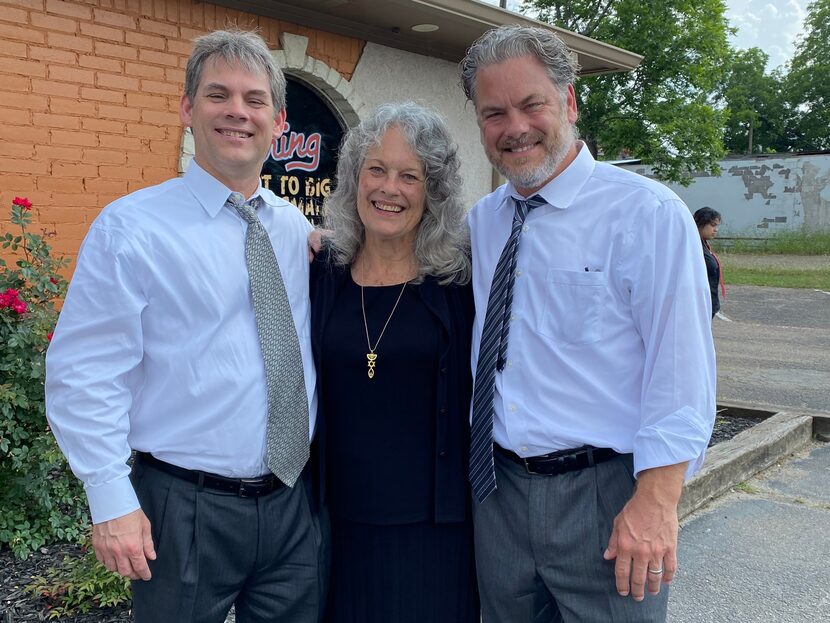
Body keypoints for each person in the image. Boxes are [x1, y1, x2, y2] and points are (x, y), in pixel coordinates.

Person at [45, 29, 324, 623]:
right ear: (186, 109)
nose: (237, 113)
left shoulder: (295, 230)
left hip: (292, 505)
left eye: (254, 100)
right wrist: (110, 496)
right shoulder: (131, 229)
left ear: (277, 120)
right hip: (183, 506)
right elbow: (84, 372)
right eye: (218, 95)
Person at [459, 25, 716, 622]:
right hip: (497, 492)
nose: (514, 127)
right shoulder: (483, 221)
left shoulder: (647, 214)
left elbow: (681, 374)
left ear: (570, 102)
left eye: (532, 105)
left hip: (605, 497)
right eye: (494, 112)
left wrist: (657, 500)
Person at [309, 102, 479, 623]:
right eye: (376, 170)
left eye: (411, 176)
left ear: (433, 192)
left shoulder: (459, 282)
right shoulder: (322, 274)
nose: (390, 188)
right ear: (353, 178)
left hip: (435, 530)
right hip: (336, 522)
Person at [694, 206, 725, 318]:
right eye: (712, 225)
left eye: (717, 226)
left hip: (709, 303)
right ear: (700, 224)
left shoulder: (704, 245)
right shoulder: (693, 247)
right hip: (699, 305)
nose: (716, 229)